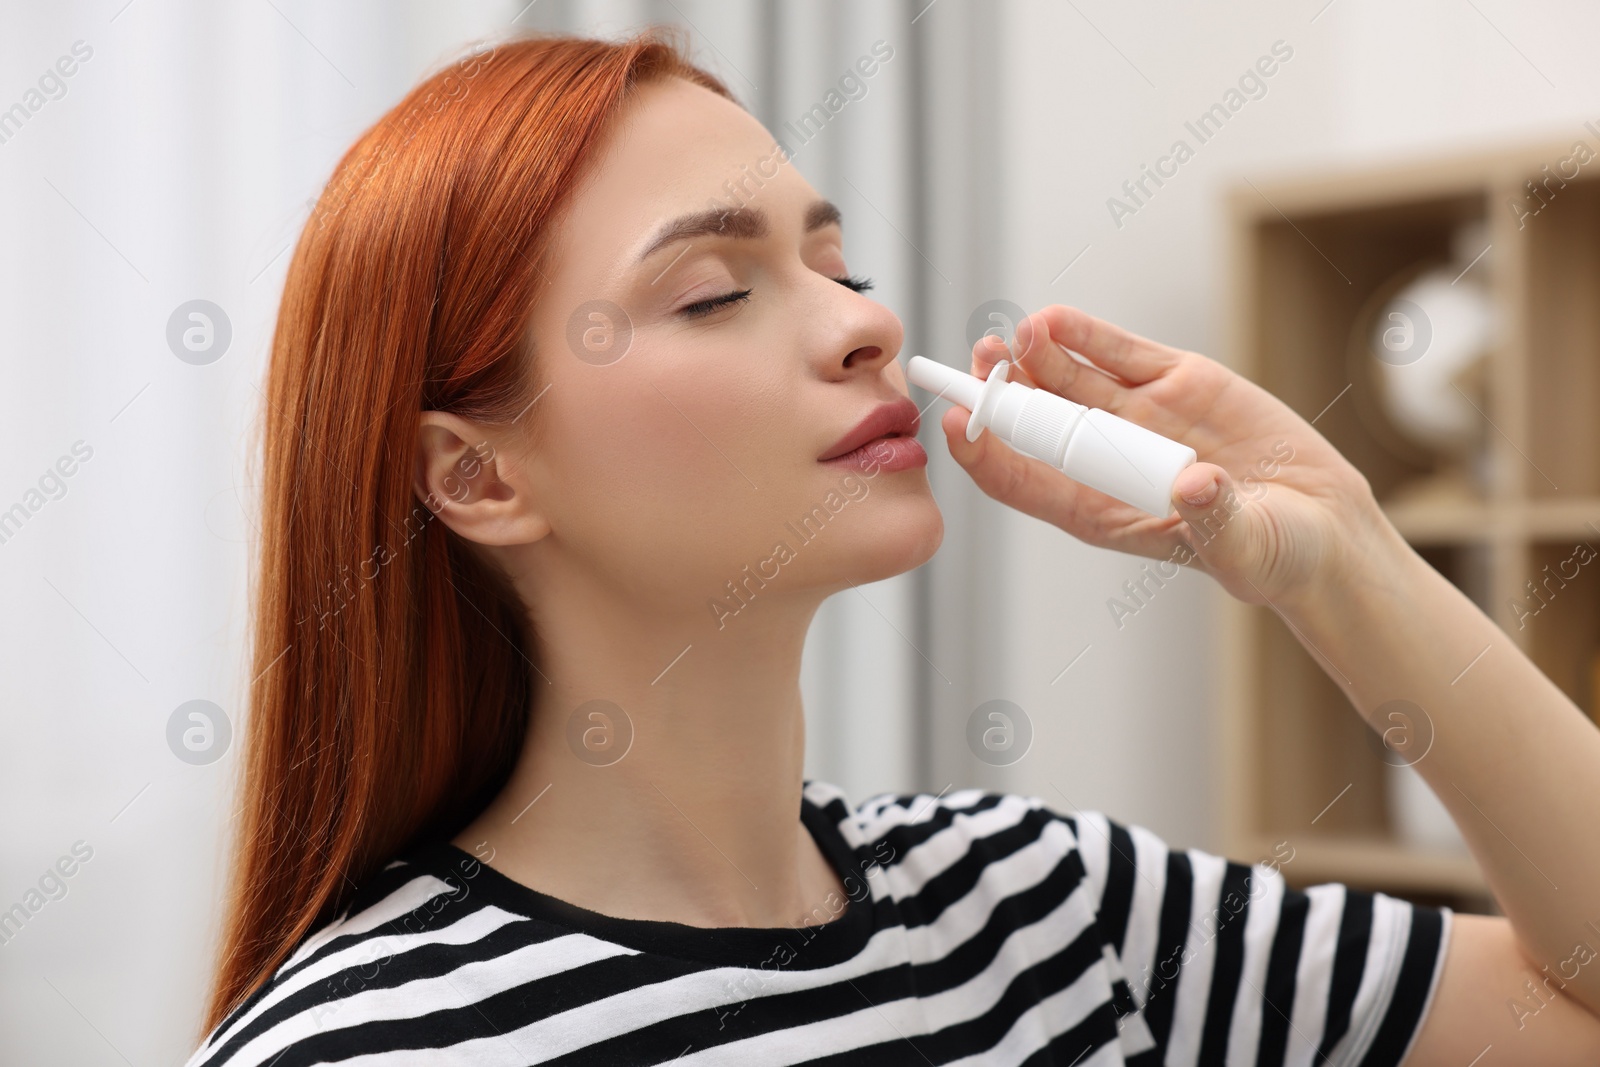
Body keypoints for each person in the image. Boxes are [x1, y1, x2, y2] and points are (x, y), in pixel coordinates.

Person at [185, 27, 1600, 1067]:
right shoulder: (365, 1050)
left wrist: (1342, 552)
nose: (865, 321)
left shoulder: (1048, 905)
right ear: (476, 474)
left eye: (835, 263)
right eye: (715, 291)